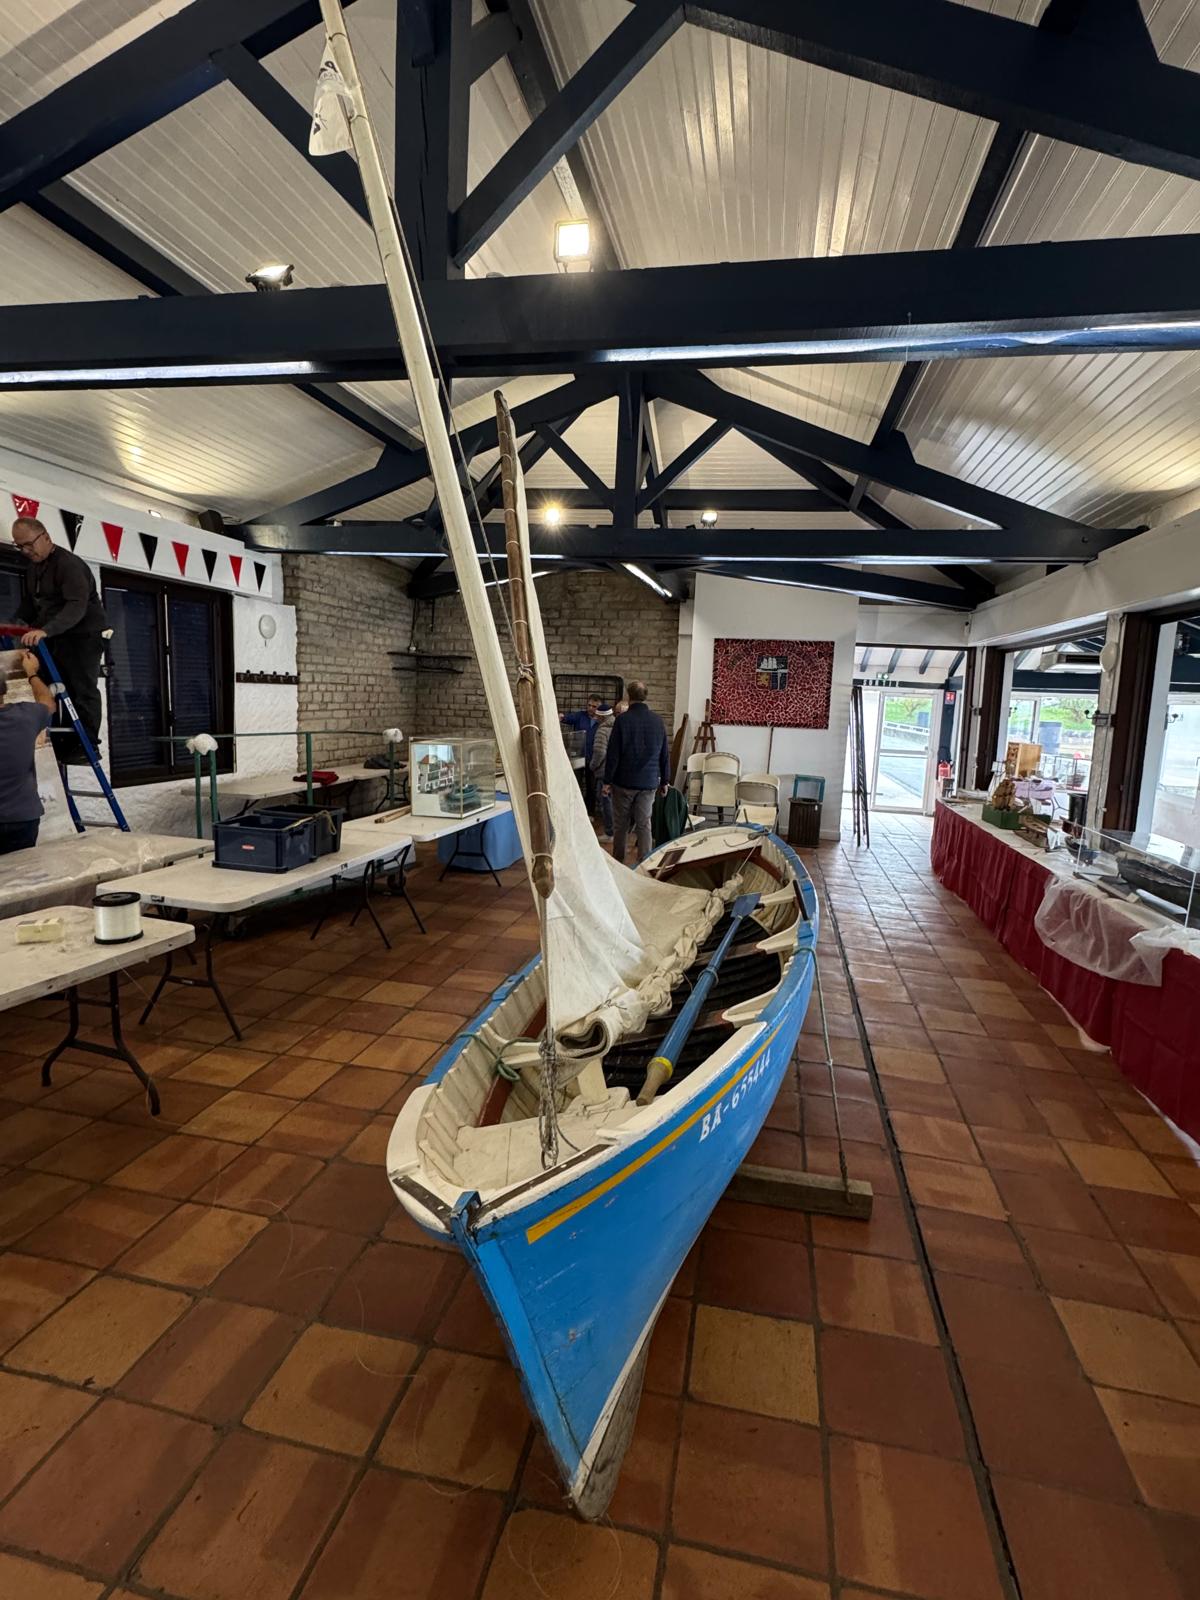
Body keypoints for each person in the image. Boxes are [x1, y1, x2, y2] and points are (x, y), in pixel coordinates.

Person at [11, 516, 110, 763]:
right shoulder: (34, 568)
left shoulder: (69, 565)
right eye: (20, 546)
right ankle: (57, 741)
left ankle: (88, 745)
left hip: (83, 635)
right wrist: (14, 626)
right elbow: (30, 605)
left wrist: (46, 630)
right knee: (48, 684)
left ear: (45, 536)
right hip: (57, 635)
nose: (26, 551)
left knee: (82, 687)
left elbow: (76, 606)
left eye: (29, 544)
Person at [603, 679, 670, 862]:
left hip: (623, 782)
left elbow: (613, 754)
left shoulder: (622, 720)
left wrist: (607, 781)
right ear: (645, 696)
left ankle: (618, 863)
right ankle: (645, 863)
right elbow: (664, 753)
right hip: (648, 782)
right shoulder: (657, 721)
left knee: (621, 826)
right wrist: (665, 780)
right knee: (644, 825)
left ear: (628, 696)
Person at [0, 651, 56, 854]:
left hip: (21, 817)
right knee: (19, 880)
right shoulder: (27, 716)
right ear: (4, 690)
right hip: (23, 819)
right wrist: (31, 673)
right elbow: (48, 702)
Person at [590, 700, 627, 837]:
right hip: (619, 771)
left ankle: (610, 833)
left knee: (606, 802)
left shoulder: (602, 731)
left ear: (601, 717)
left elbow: (600, 752)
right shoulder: (619, 727)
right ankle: (619, 832)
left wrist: (592, 766)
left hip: (604, 771)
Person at [562, 695, 604, 813]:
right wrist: (561, 716)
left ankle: (589, 812)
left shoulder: (603, 721)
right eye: (589, 705)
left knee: (591, 787)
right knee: (576, 784)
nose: (591, 708)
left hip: (593, 758)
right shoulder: (580, 716)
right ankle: (575, 811)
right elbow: (567, 718)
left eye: (594, 706)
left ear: (599, 708)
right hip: (578, 756)